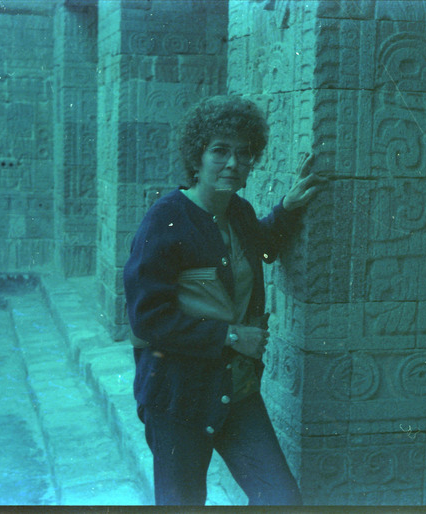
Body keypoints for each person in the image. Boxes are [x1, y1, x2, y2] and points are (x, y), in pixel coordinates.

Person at [123, 95, 323, 506]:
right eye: (220, 150)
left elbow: (259, 246)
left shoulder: (240, 213)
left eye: (244, 153)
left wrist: (288, 208)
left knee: (281, 499)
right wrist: (230, 336)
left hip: (236, 391)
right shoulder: (165, 218)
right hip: (177, 397)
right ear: (196, 159)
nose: (233, 162)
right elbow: (148, 319)